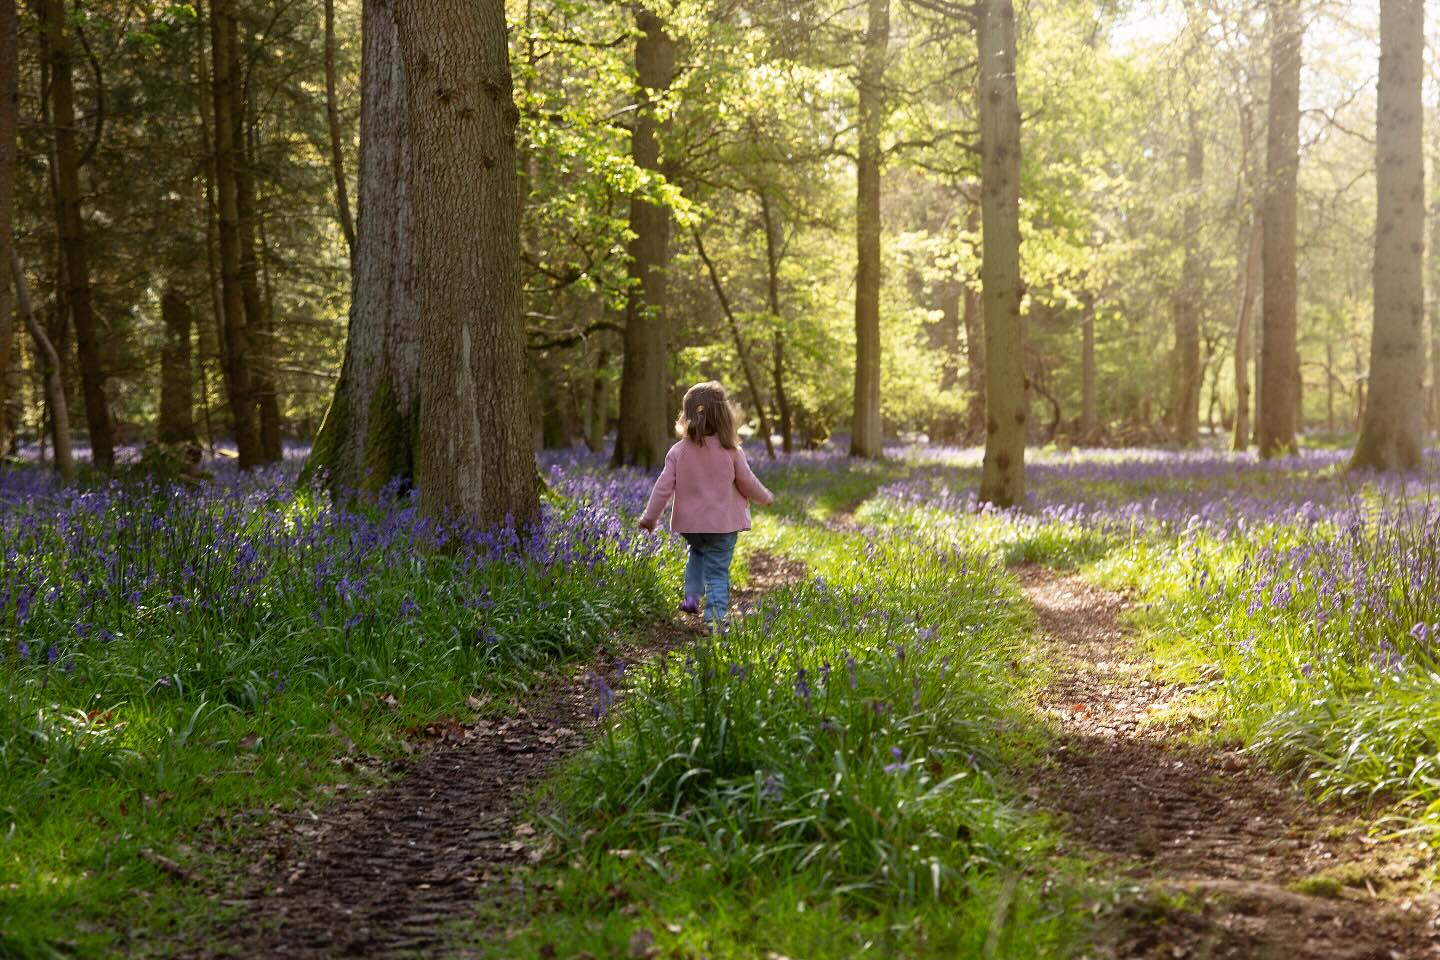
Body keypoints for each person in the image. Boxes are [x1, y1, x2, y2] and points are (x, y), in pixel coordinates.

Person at [638, 381, 775, 627]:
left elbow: (662, 488)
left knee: (697, 553)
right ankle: (714, 617)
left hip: (691, 527)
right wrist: (765, 497)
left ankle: (691, 596)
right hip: (723, 526)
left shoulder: (678, 451)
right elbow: (748, 483)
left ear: (687, 416)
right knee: (718, 570)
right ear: (724, 417)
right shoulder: (731, 452)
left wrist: (650, 517)